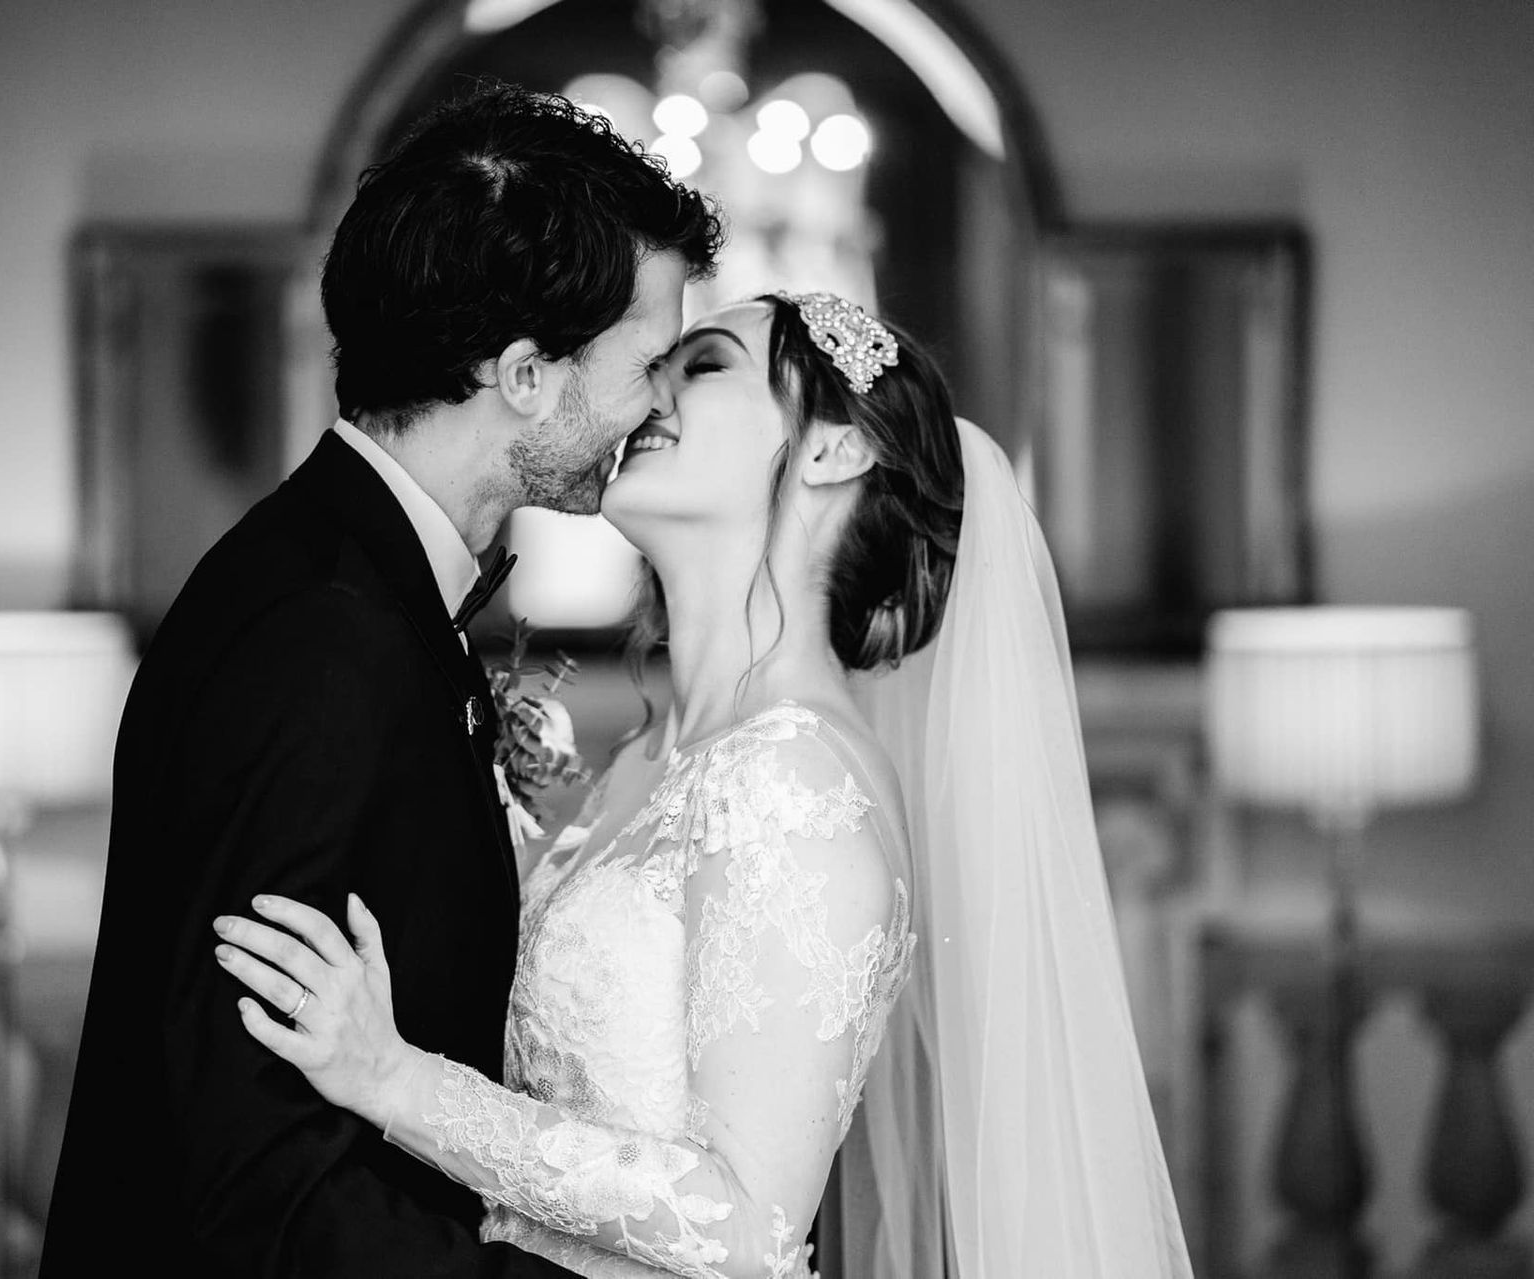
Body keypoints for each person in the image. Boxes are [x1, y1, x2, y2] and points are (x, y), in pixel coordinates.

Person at [211, 293, 1196, 1277]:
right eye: (658, 365)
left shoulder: (796, 781)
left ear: (834, 449)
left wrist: (395, 1081)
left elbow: (745, 1225)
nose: (651, 393)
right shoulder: (655, 757)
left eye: (707, 363)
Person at [38, 83, 722, 1277]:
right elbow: (258, 1180)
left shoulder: (359, 586)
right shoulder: (318, 638)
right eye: (650, 361)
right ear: (526, 375)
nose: (664, 403)